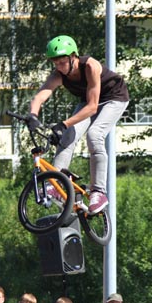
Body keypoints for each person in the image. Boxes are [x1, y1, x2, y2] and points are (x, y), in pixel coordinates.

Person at [27, 35, 129, 215]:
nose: (59, 66)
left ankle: (98, 191)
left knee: (94, 134)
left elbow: (92, 107)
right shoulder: (58, 74)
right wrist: (33, 116)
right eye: (55, 62)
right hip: (89, 101)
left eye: (62, 61)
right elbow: (40, 96)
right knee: (67, 136)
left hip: (114, 98)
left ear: (73, 56)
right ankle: (56, 184)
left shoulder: (90, 66)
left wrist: (63, 124)